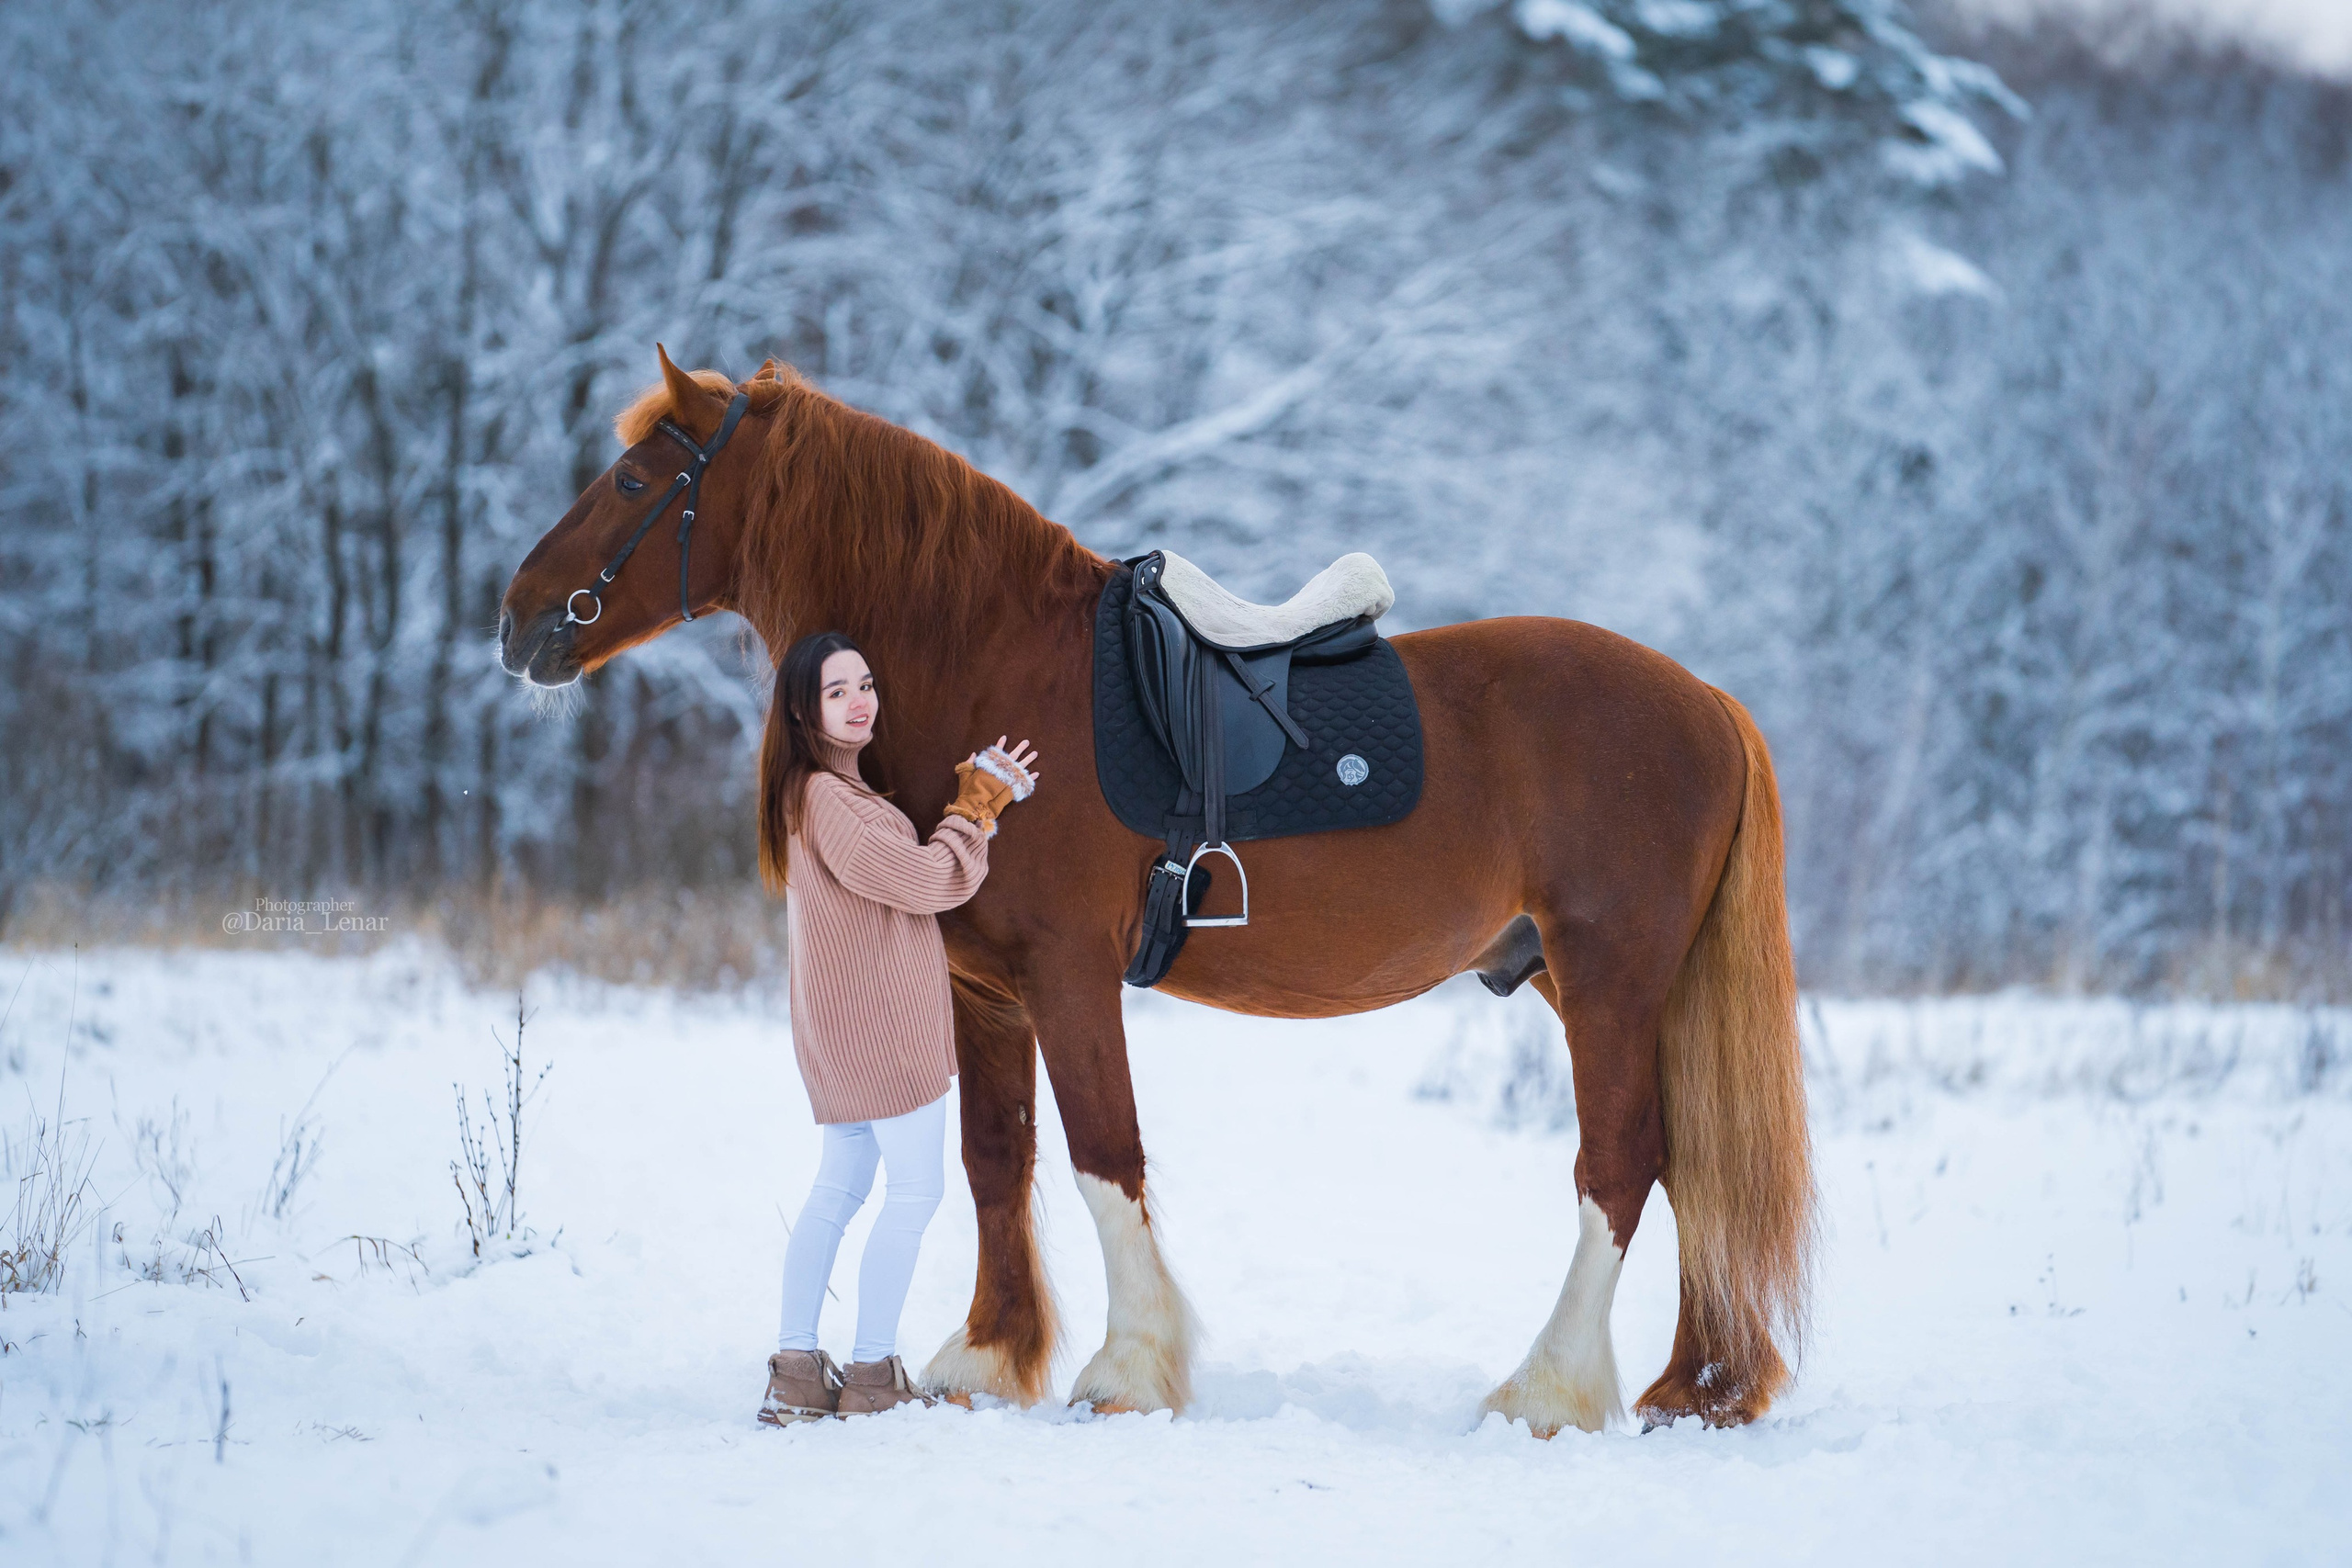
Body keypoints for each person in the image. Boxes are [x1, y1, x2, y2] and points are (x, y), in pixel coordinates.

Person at [753, 629, 1039, 1425]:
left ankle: (796, 1371)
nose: (860, 701)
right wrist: (973, 811)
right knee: (914, 1190)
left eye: (866, 683)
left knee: (840, 1187)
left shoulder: (816, 793)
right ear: (803, 711)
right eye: (837, 690)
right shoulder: (829, 799)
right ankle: (872, 1372)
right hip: (880, 1029)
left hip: (840, 1028)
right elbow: (926, 882)